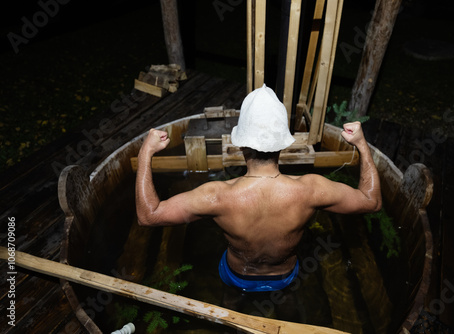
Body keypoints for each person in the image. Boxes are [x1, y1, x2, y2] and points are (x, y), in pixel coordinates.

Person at [135, 84, 382, 295]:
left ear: (241, 145)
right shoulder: (312, 190)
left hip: (237, 275)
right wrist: (361, 144)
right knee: (283, 300)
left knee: (231, 298)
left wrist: (146, 152)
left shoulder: (216, 196)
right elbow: (371, 201)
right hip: (284, 276)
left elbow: (149, 215)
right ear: (282, 145)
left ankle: (232, 303)